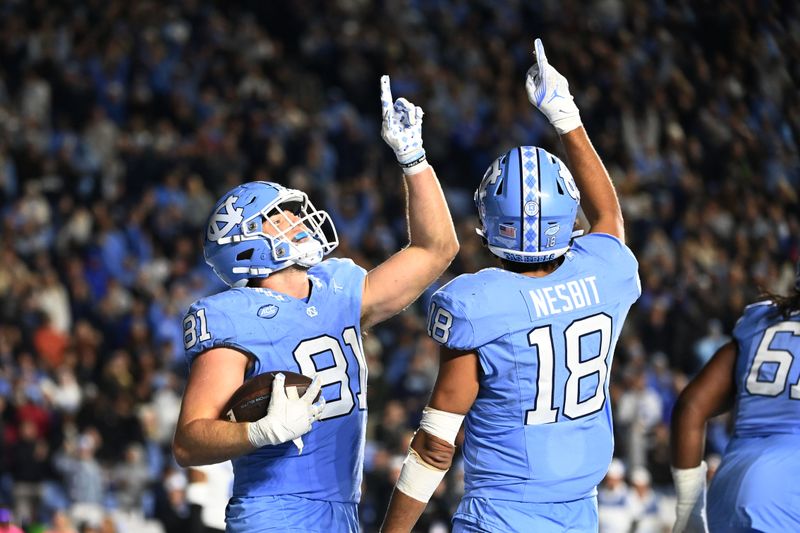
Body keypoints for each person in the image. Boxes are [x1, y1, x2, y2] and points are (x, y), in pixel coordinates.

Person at [172, 75, 458, 532]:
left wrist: (414, 160)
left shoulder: (338, 286)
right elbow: (189, 442)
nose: (297, 220)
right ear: (247, 246)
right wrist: (257, 432)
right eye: (278, 218)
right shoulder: (232, 315)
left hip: (342, 510)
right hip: (274, 512)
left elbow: (435, 250)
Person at [381, 38, 641, 533]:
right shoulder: (606, 270)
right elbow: (608, 212)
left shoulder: (478, 302)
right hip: (581, 513)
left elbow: (437, 444)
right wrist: (565, 115)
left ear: (487, 223)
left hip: (502, 514)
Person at [670, 261, 800, 532]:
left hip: (729, 487)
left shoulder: (763, 323)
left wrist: (688, 509)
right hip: (787, 497)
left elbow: (691, 405)